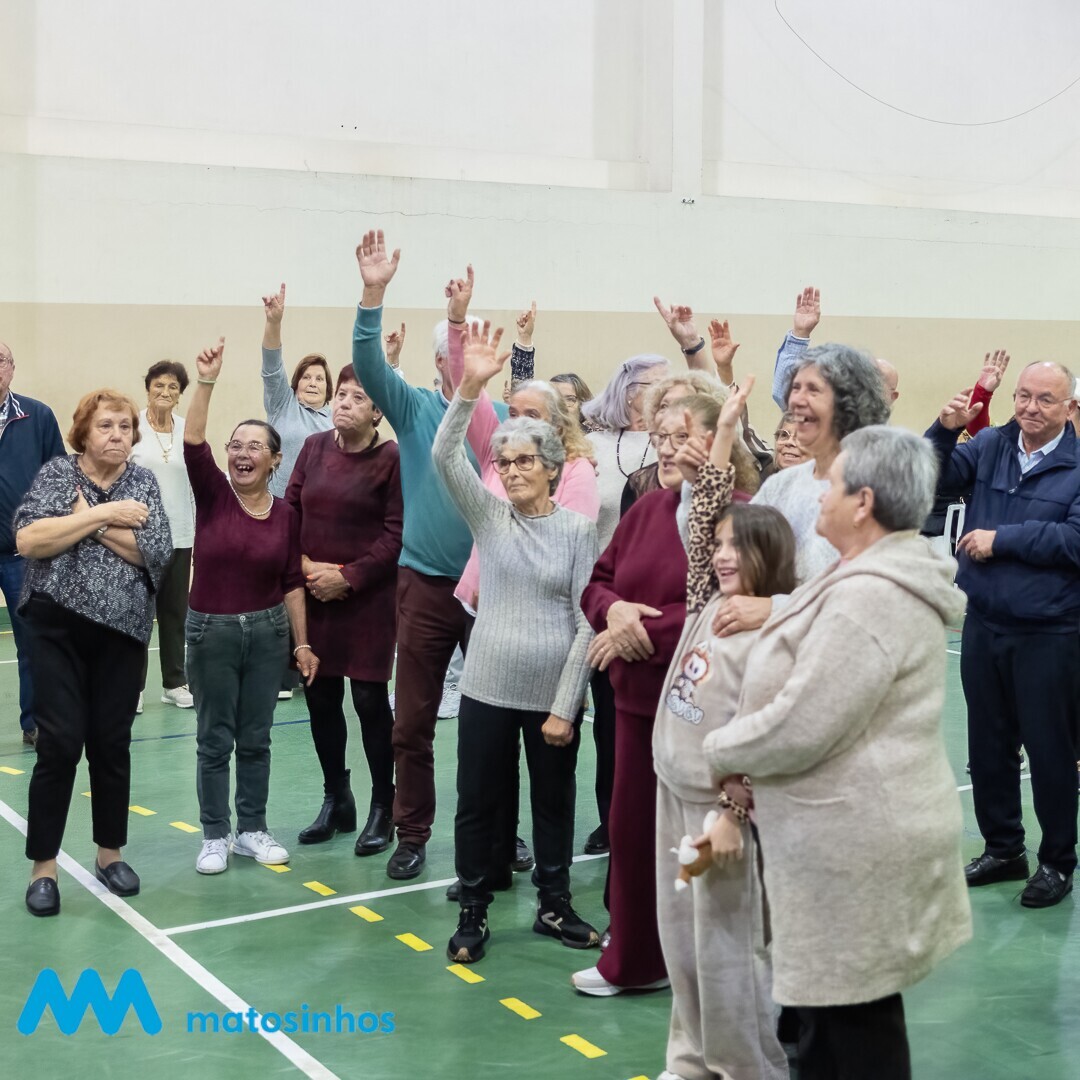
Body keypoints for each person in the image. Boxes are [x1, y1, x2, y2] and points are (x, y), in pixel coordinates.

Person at [704, 425, 973, 1079]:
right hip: (846, 836)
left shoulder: (869, 596)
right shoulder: (859, 573)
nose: (820, 490)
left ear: (863, 502)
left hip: (858, 845)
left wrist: (722, 749)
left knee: (853, 1030)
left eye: (832, 481)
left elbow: (804, 723)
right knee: (838, 1024)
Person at [352, 230, 516, 881]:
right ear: (442, 362)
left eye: (476, 352)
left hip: (492, 588)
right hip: (423, 585)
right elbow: (368, 366)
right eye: (456, 351)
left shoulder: (500, 420)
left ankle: (503, 832)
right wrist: (373, 294)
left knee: (496, 720)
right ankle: (412, 832)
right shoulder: (415, 408)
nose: (466, 361)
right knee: (411, 722)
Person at [433, 322, 599, 964]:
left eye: (526, 460)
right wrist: (469, 389)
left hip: (551, 696)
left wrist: (566, 704)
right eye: (504, 463)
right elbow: (445, 457)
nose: (513, 470)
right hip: (486, 690)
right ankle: (473, 910)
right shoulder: (490, 517)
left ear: (553, 468)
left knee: (554, 805)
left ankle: (554, 905)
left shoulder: (578, 532)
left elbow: (587, 620)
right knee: (478, 804)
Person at [653, 381, 795, 1080]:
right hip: (672, 795)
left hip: (720, 813)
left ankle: (749, 1067)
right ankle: (691, 1059)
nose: (722, 555)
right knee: (681, 942)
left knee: (728, 951)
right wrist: (725, 433)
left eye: (739, 547)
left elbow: (767, 735)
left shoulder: (774, 631)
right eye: (719, 546)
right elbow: (707, 506)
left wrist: (734, 811)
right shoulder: (709, 603)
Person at [572, 394, 723, 996]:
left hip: (698, 710)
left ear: (715, 442)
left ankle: (707, 968)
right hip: (634, 705)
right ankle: (635, 961)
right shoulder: (646, 509)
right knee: (632, 834)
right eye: (660, 436)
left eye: (681, 436)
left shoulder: (736, 515)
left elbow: (722, 607)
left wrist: (638, 632)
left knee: (699, 842)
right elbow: (598, 583)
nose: (666, 448)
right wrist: (614, 613)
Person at [927, 361, 1080, 908]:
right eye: (1023, 396)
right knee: (988, 747)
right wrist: (943, 431)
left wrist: (1002, 539)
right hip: (985, 624)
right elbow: (933, 481)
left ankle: (1057, 861)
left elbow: (1074, 541)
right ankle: (1003, 848)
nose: (1030, 408)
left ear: (1069, 407)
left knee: (1050, 749)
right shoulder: (991, 444)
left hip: (1050, 632)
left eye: (1045, 399)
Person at [16, 389, 172, 915]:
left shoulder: (142, 482)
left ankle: (110, 855)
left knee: (110, 744)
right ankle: (44, 868)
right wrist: (111, 516)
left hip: (122, 633)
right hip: (55, 629)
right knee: (59, 745)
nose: (117, 435)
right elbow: (31, 540)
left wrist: (87, 521)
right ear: (83, 432)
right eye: (106, 426)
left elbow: (154, 554)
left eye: (125, 427)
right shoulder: (59, 474)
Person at [183, 337, 318, 875]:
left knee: (256, 738)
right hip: (211, 633)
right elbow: (193, 440)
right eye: (236, 445)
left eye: (254, 446)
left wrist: (301, 644)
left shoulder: (286, 515)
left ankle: (252, 830)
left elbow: (292, 582)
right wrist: (207, 380)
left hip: (267, 634)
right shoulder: (214, 495)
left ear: (275, 459)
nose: (242, 453)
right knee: (215, 739)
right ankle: (215, 834)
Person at [285, 364, 403, 854]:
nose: (344, 403)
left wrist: (348, 578)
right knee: (319, 697)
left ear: (377, 412)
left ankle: (384, 806)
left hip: (368, 600)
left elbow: (396, 534)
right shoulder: (314, 448)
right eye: (341, 395)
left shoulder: (392, 458)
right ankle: (337, 799)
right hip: (314, 594)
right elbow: (289, 512)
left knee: (370, 702)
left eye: (358, 398)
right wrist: (304, 565)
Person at [0, 341, 65, 747]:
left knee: (34, 638)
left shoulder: (38, 415)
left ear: (11, 367)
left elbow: (60, 477)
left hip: (21, 552)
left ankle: (36, 722)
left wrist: (49, 531)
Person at [129, 360, 196, 710]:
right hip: (139, 537)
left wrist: (199, 530)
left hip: (180, 535)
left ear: (180, 394)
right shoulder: (133, 427)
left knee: (174, 613)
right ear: (148, 389)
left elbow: (196, 483)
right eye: (159, 385)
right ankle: (133, 687)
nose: (165, 392)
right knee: (138, 613)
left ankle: (174, 683)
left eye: (173, 387)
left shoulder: (187, 429)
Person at [770, 285, 900, 409]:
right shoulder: (831, 417)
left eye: (875, 381)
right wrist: (800, 333)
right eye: (861, 379)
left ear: (892, 396)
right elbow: (786, 394)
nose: (864, 386)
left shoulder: (886, 428)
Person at [260, 283, 335, 497]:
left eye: (319, 379)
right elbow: (272, 366)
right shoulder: (283, 403)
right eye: (306, 377)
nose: (313, 383)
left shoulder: (337, 420)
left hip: (321, 507)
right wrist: (274, 322)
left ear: (328, 388)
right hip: (279, 504)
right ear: (296, 383)